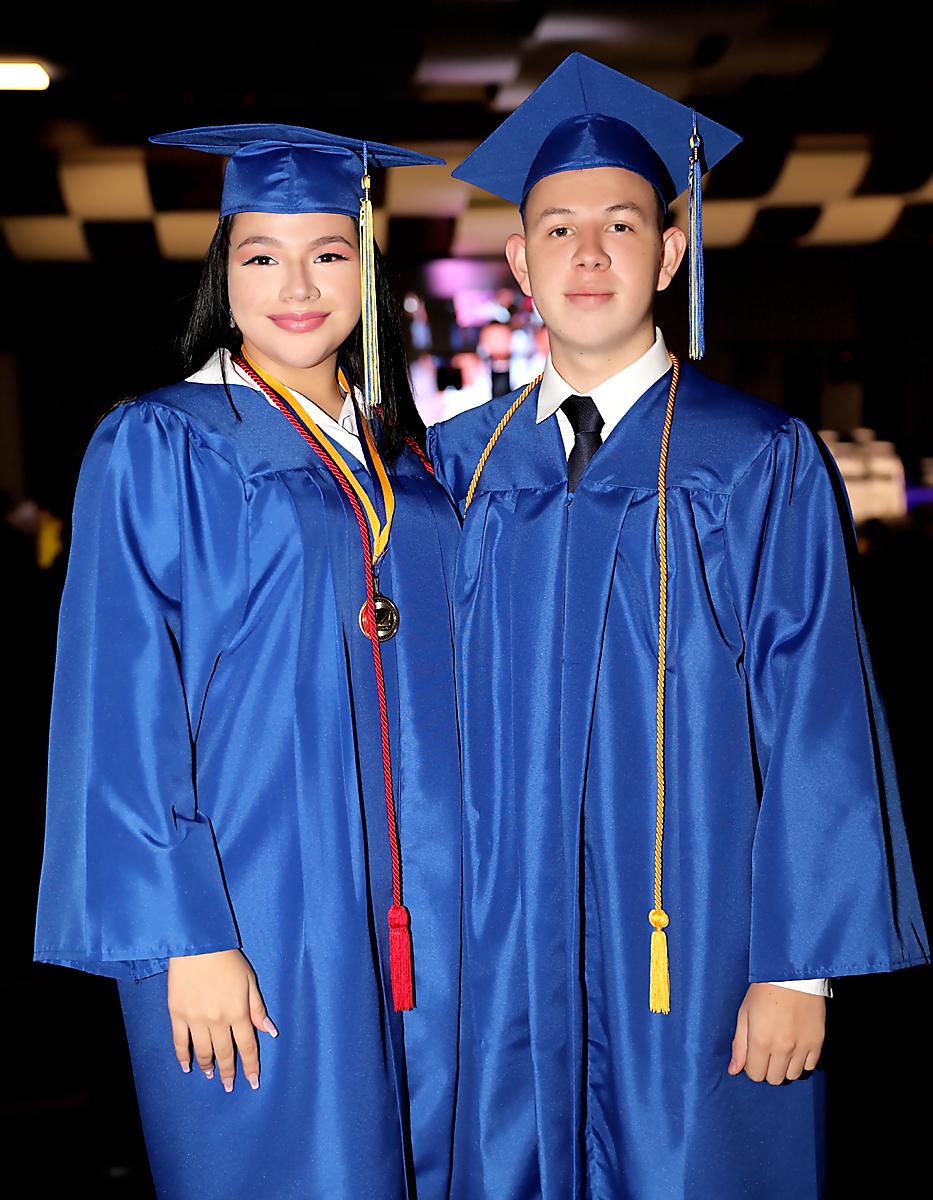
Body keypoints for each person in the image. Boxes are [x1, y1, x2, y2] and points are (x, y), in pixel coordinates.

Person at [427, 54, 928, 1199]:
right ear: (518, 262)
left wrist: (803, 970)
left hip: (696, 946)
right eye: (557, 229)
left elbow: (817, 714)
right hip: (499, 949)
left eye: (622, 222)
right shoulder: (457, 470)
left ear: (672, 248)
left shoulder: (759, 461)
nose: (589, 253)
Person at [34, 124, 461, 1200]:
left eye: (328, 252)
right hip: (253, 911)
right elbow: (119, 704)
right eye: (261, 255)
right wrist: (187, 934)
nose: (297, 285)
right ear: (224, 274)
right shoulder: (160, 443)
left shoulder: (408, 461)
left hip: (424, 914)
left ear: (366, 267)